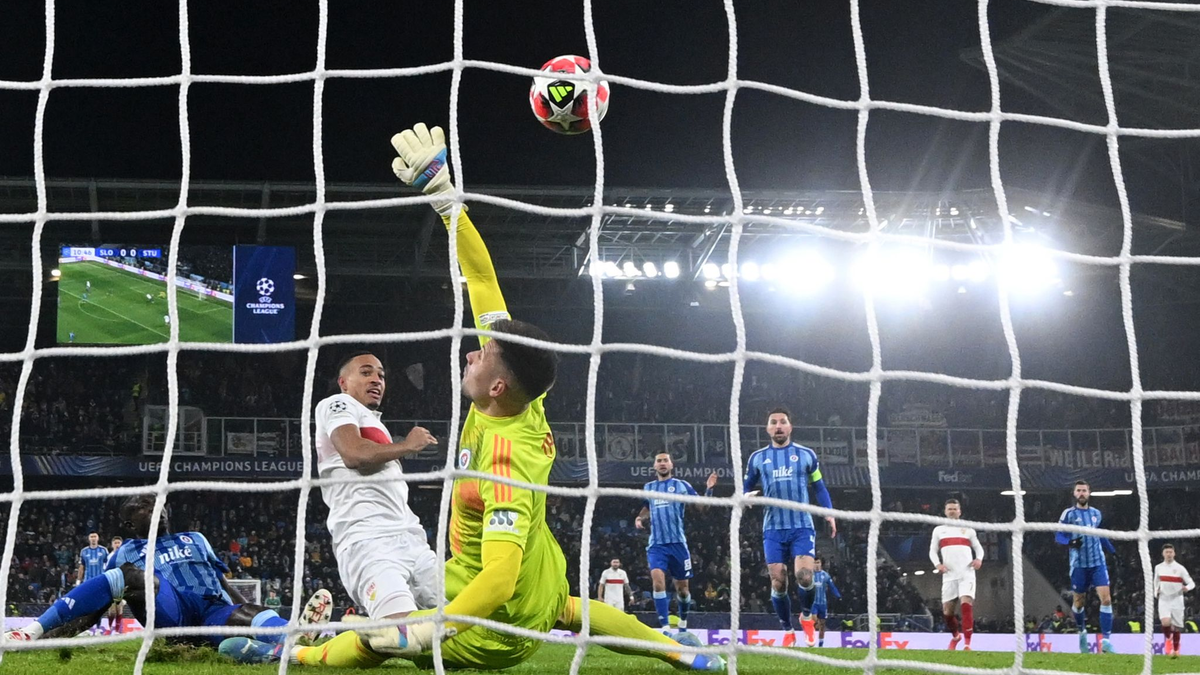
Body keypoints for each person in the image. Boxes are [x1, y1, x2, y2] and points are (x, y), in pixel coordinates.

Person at [238, 123, 723, 671]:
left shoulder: (504, 460)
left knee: (392, 638)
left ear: (497, 384)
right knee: (569, 609)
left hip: (496, 625)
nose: (471, 352)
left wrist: (430, 629)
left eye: (481, 355)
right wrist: (446, 199)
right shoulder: (521, 394)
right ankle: (685, 653)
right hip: (543, 575)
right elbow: (483, 280)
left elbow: (496, 580)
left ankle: (304, 651)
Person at [221, 350, 439, 663]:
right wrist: (408, 444)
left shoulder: (375, 425)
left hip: (412, 539)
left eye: (381, 374)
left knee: (462, 627)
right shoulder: (336, 405)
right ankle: (294, 654)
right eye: (366, 372)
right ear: (344, 383)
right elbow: (353, 453)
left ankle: (300, 644)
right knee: (403, 637)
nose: (377, 379)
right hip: (369, 540)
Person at [4, 495, 325, 647]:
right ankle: (30, 631)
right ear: (131, 523)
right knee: (132, 577)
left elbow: (224, 582)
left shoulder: (196, 538)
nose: (155, 504)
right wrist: (54, 635)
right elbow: (98, 603)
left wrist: (243, 607)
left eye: (155, 500)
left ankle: (295, 638)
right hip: (170, 613)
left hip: (211, 612)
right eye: (144, 505)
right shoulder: (125, 551)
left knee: (250, 611)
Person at [743, 406, 836, 647]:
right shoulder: (757, 458)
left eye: (782, 421)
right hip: (773, 529)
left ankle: (806, 616)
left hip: (802, 526)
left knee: (805, 577)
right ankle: (787, 630)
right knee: (778, 582)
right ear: (767, 428)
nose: (778, 426)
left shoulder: (806, 455)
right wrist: (746, 496)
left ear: (790, 427)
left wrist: (829, 513)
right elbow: (745, 487)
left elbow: (819, 487)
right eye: (773, 422)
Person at [635, 453, 717, 631]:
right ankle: (665, 627)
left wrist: (709, 490)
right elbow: (647, 508)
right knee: (657, 582)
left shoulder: (681, 486)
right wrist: (639, 518)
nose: (662, 464)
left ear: (671, 465)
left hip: (678, 544)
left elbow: (703, 507)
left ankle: (683, 622)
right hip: (657, 545)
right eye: (659, 461)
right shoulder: (649, 488)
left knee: (683, 590)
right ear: (654, 466)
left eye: (665, 461)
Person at [1055, 480, 1117, 654]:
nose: (1082, 493)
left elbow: (1100, 534)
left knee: (1106, 599)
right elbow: (1058, 535)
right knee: (1079, 603)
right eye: (1079, 490)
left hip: (1098, 563)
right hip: (1079, 565)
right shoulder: (1068, 514)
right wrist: (1070, 542)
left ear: (1089, 493)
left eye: (1084, 490)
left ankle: (1106, 641)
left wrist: (1112, 550)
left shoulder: (1096, 513)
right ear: (1074, 494)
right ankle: (1082, 631)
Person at [929, 498, 983, 651]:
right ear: (945, 512)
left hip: (967, 573)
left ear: (960, 511)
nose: (952, 511)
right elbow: (932, 551)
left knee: (966, 605)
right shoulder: (939, 530)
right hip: (949, 575)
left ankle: (967, 644)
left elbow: (979, 548)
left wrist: (978, 559)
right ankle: (956, 636)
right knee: (947, 612)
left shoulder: (968, 529)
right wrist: (938, 564)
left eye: (955, 509)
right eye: (950, 509)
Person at [1154, 543, 1195, 658]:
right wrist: (1155, 592)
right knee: (1165, 622)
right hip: (1164, 599)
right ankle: (1168, 639)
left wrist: (1186, 588)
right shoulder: (1158, 567)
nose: (1169, 554)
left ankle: (1176, 650)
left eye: (1170, 552)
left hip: (1177, 599)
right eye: (1166, 552)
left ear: (1174, 554)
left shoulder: (1180, 568)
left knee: (1176, 627)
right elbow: (1155, 582)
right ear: (1163, 554)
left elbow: (1192, 583)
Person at [810, 558, 841, 648]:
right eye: (814, 563)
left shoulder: (825, 575)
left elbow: (832, 587)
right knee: (814, 619)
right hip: (813, 603)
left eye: (818, 562)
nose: (816, 564)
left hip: (823, 603)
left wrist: (838, 596)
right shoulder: (810, 575)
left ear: (821, 564)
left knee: (822, 625)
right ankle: (812, 636)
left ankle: (821, 644)